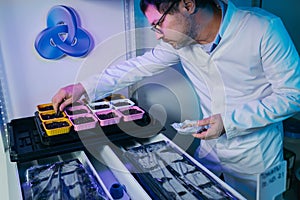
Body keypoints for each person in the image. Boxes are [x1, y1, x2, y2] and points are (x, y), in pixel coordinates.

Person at [52, 0, 300, 199]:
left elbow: (293, 94)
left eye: (158, 24)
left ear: (188, 5)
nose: (158, 35)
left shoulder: (263, 28)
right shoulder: (180, 42)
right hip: (210, 151)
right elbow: (138, 66)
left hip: (255, 156)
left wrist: (228, 121)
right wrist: (83, 86)